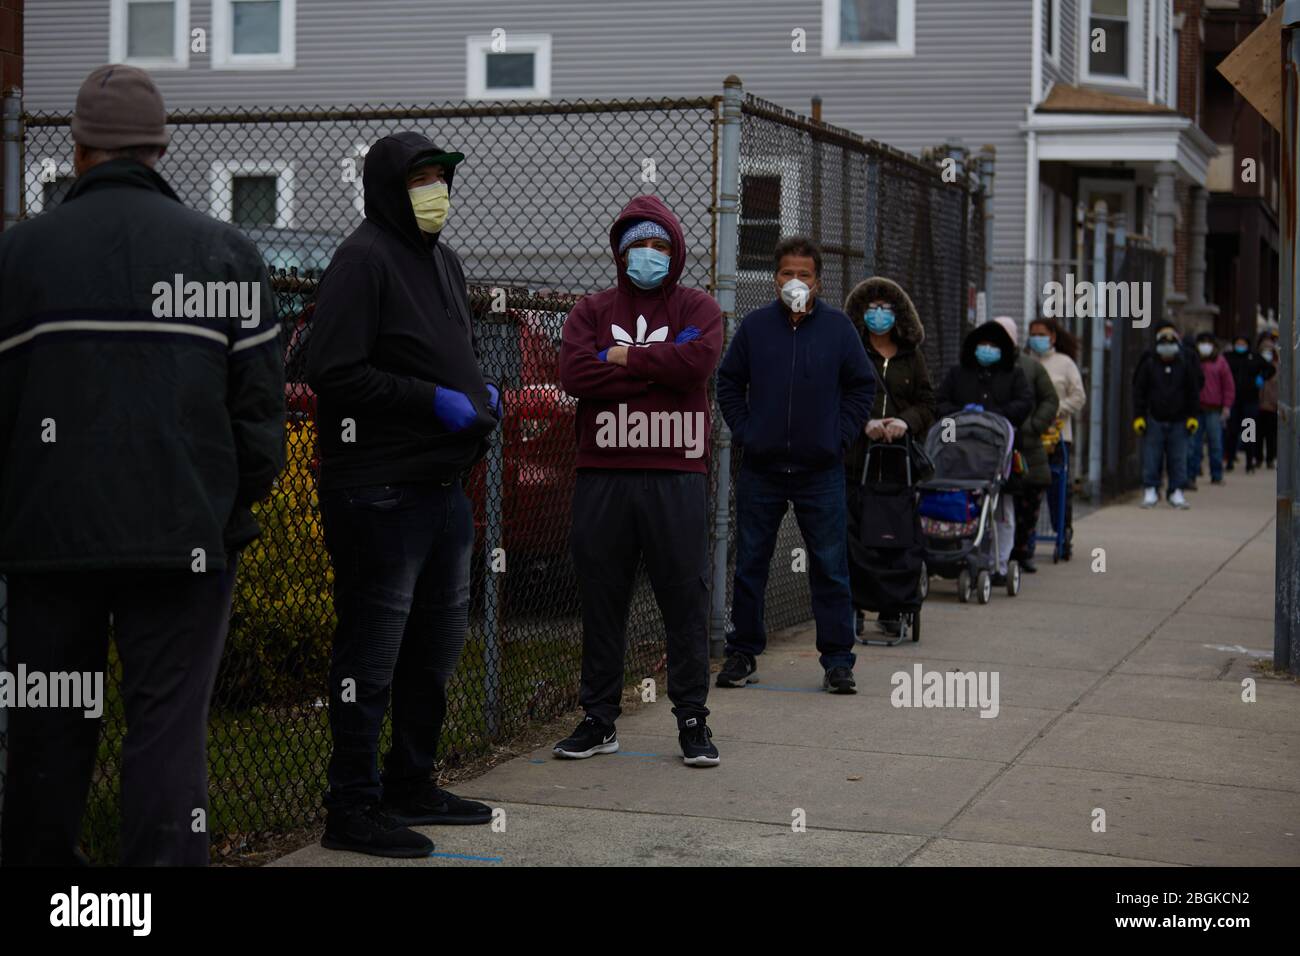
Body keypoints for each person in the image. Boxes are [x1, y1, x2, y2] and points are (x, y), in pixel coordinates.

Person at [0, 65, 285, 866]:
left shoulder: (19, 258)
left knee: (49, 730)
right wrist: (227, 513)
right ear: (159, 147)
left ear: (79, 147)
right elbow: (260, 416)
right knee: (165, 732)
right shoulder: (225, 254)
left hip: (49, 543)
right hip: (184, 539)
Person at [307, 132, 501, 858]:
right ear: (391, 187)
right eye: (421, 178)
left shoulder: (443, 262)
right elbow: (333, 370)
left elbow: (456, 351)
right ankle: (351, 806)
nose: (436, 191)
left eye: (442, 178)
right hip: (377, 490)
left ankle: (410, 780)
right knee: (372, 653)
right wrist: (430, 400)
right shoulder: (363, 258)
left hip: (442, 487)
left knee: (436, 648)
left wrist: (480, 390)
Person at [553, 196, 724, 767]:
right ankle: (599, 718)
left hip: (676, 472)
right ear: (620, 252)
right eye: (636, 245)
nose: (646, 255)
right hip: (604, 472)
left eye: (658, 245)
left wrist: (623, 359)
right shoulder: (590, 308)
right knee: (603, 597)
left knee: (684, 596)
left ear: (674, 251)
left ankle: (693, 719)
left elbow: (697, 366)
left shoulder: (700, 306)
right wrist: (659, 367)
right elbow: (576, 373)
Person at [715, 238, 875, 694]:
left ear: (819, 281)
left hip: (820, 471)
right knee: (750, 565)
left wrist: (838, 437)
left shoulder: (840, 330)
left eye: (804, 274)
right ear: (775, 279)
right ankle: (742, 653)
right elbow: (728, 382)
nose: (796, 282)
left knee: (829, 566)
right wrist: (748, 433)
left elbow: (861, 387)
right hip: (762, 470)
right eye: (787, 273)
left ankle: (838, 661)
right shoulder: (756, 327)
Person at [842, 276, 936, 635]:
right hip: (857, 459)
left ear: (898, 316)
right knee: (854, 535)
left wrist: (905, 422)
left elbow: (928, 404)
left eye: (886, 309)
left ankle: (894, 606)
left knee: (896, 535)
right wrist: (862, 423)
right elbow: (838, 394)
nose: (878, 315)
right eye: (872, 308)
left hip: (898, 465)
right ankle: (854, 603)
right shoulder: (852, 351)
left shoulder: (911, 358)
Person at [935, 319, 1033, 582]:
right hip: (960, 454)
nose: (987, 349)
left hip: (1000, 455)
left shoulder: (1014, 375)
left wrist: (995, 416)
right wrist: (961, 414)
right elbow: (940, 402)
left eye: (993, 345)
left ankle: (1000, 563)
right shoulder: (958, 374)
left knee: (1003, 511)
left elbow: (1024, 403)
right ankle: (960, 556)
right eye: (983, 344)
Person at [993, 317, 1059, 578]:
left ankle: (1022, 551)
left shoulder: (1030, 368)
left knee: (1028, 502)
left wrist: (1033, 425)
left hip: (1026, 446)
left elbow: (1050, 399)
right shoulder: (980, 367)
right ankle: (999, 553)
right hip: (992, 447)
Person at [1025, 317, 1085, 560]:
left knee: (1058, 489)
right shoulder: (1026, 363)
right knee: (1028, 488)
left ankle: (1063, 533)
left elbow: (1078, 396)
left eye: (1041, 334)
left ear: (1052, 337)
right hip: (1030, 435)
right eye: (1033, 334)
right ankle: (1026, 537)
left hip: (1057, 436)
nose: (1036, 338)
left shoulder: (1064, 364)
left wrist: (1055, 409)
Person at [1133, 321, 1200, 509]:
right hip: (1154, 418)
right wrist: (1139, 416)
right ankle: (1150, 489)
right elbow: (1139, 391)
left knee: (1178, 458)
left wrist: (1193, 416)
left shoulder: (1185, 365)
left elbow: (1193, 392)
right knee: (1152, 457)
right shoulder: (1149, 364)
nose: (1167, 346)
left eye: (1171, 342)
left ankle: (1177, 490)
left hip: (1179, 420)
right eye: (1164, 342)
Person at [1186, 332, 1234, 489]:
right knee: (1194, 445)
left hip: (1214, 409)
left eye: (1208, 342)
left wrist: (1227, 406)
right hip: (1196, 408)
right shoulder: (1194, 360)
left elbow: (1228, 386)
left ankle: (1217, 474)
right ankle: (1191, 475)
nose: (1205, 345)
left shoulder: (1220, 362)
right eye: (1202, 342)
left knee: (1216, 444)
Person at [1223, 333, 1276, 474]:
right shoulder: (1229, 357)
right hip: (1234, 400)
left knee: (1248, 433)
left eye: (1243, 343)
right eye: (1238, 343)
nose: (1240, 346)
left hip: (1250, 401)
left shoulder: (1254, 358)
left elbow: (1270, 369)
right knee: (1232, 432)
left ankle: (1249, 462)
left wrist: (1261, 378)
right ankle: (1230, 460)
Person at [1257, 332, 1279, 471]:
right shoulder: (1255, 364)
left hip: (1272, 406)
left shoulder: (1278, 367)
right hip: (1256, 406)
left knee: (1271, 436)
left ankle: (1270, 459)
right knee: (1253, 433)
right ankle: (1254, 457)